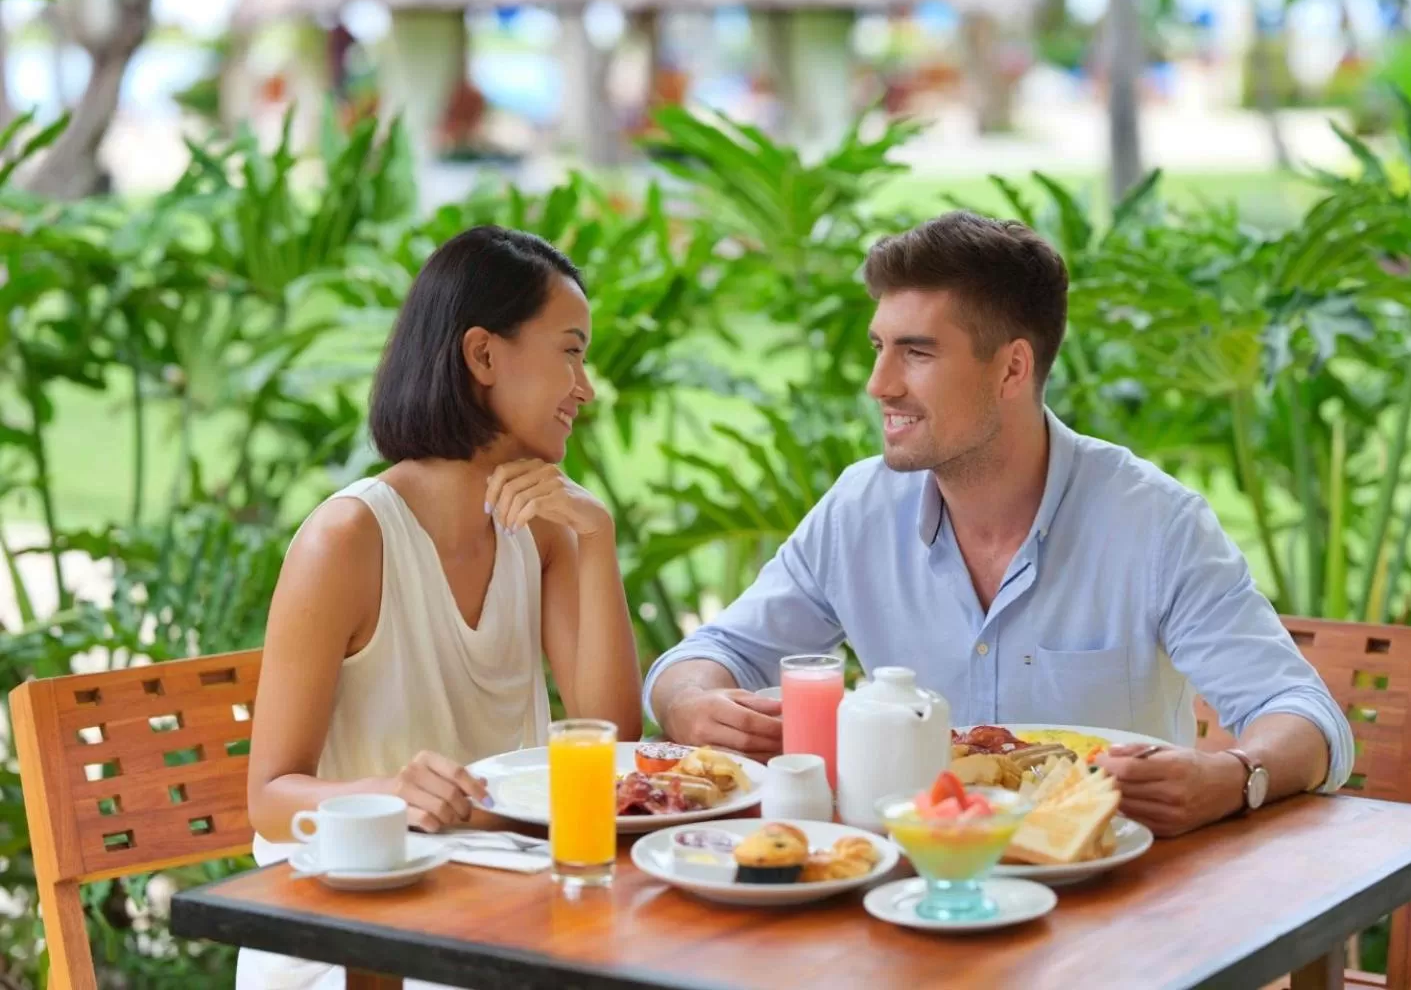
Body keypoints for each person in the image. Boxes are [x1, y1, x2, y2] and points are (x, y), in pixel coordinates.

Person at [645, 210, 1352, 839]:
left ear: (1013, 369)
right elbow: (706, 657)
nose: (879, 384)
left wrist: (1233, 777)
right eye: (878, 346)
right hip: (910, 898)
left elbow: (1300, 713)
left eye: (916, 353)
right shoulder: (858, 512)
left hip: (1112, 911)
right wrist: (693, 705)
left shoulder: (1153, 523)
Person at [239, 226, 642, 989]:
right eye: (570, 350)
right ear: (484, 355)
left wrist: (597, 539)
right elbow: (269, 800)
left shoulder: (547, 533)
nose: (584, 387)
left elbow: (611, 742)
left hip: (493, 908)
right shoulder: (347, 540)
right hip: (356, 933)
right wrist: (393, 795)